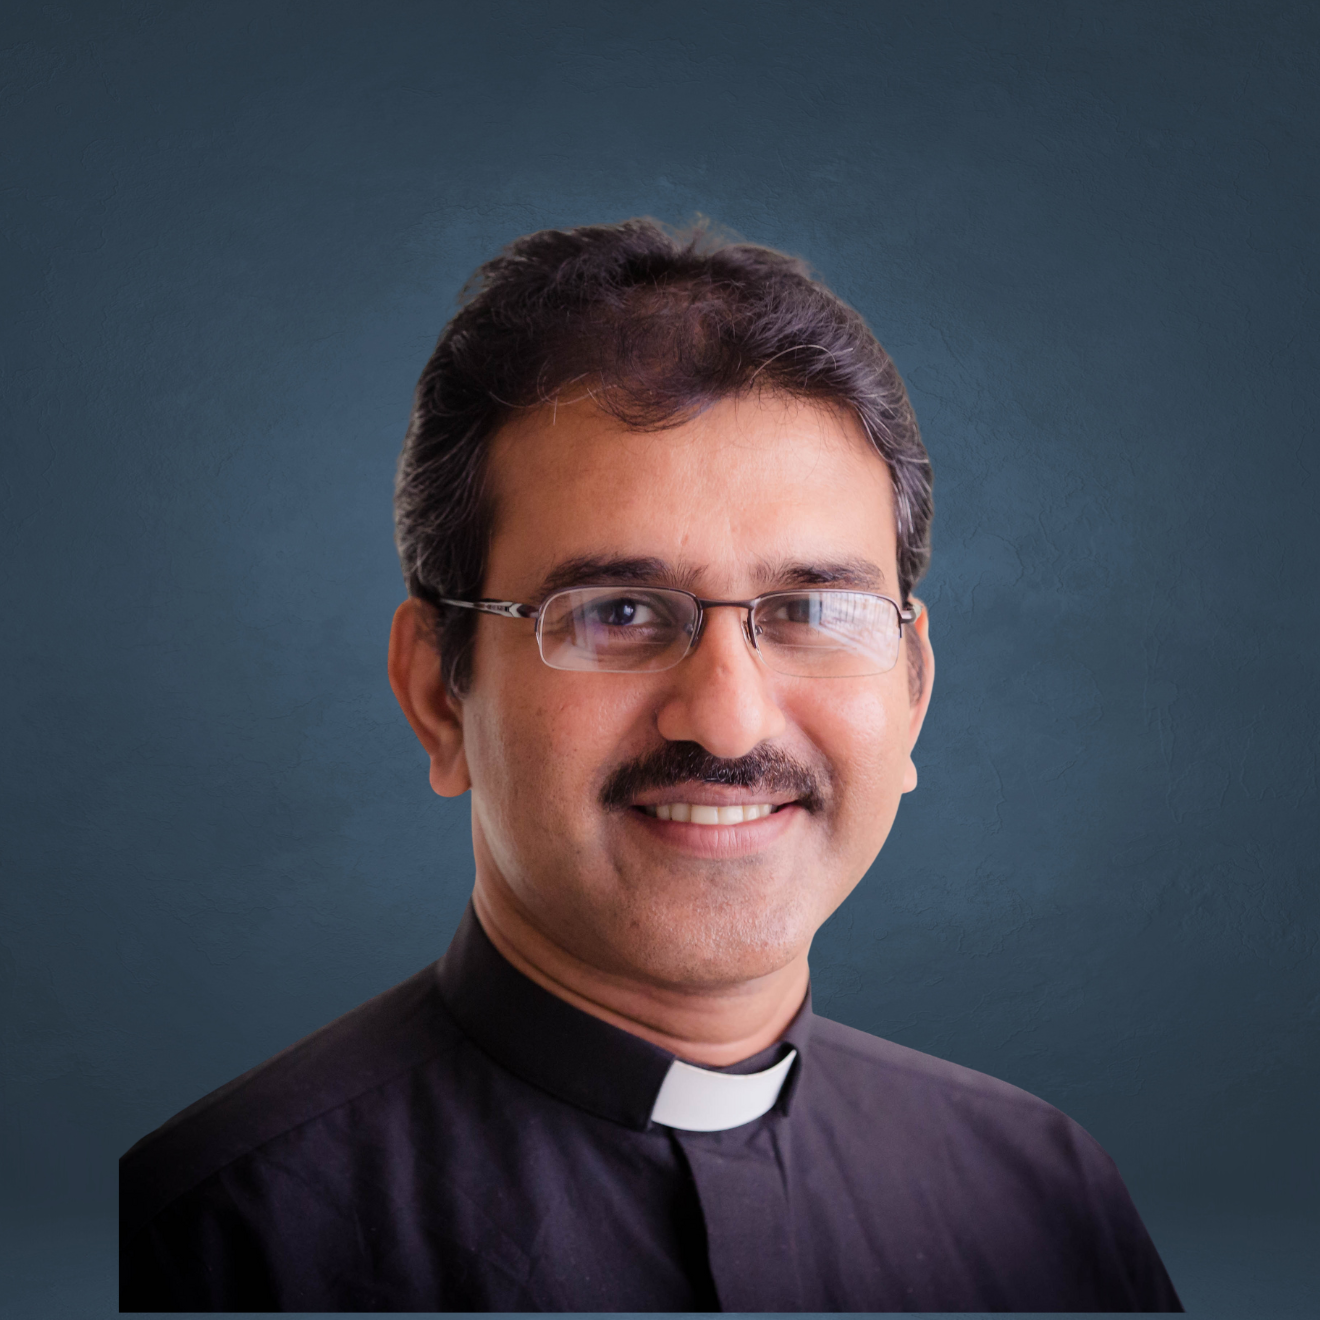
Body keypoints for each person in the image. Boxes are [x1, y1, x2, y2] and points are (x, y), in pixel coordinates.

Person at [119, 219, 1182, 1312]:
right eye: (618, 612)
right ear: (440, 695)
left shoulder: (1048, 1204)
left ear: (912, 691)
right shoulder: (210, 1241)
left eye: (813, 610)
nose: (726, 722)